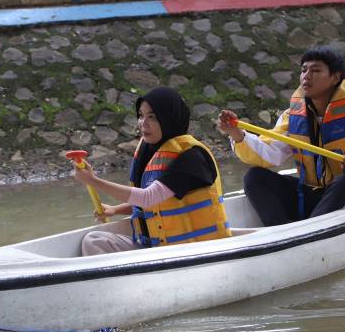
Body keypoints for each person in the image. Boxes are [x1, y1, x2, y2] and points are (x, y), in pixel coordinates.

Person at [217, 45, 345, 227]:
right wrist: (237, 134)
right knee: (255, 177)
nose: (306, 76)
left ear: (335, 77)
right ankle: (284, 232)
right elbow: (270, 154)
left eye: (315, 71)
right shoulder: (292, 116)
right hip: (314, 195)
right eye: (303, 70)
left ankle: (309, 231)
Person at [74, 87, 231, 256]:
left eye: (152, 117)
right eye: (141, 115)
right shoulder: (151, 151)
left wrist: (93, 181)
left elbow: (148, 198)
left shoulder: (192, 158)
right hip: (158, 248)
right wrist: (116, 210)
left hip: (197, 251)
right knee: (94, 241)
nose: (143, 123)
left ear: (169, 118)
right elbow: (157, 204)